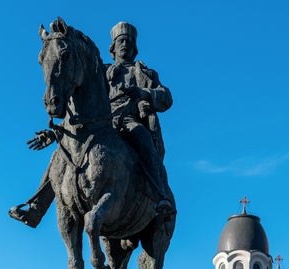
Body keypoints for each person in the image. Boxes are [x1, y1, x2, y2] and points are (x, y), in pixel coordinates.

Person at [9, 21, 173, 228]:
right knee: (61, 154)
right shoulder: (99, 70)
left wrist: (143, 93)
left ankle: (160, 196)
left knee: (143, 138)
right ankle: (37, 209)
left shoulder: (144, 72)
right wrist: (56, 133)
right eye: (121, 41)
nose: (125, 45)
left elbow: (166, 98)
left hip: (129, 120)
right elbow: (78, 97)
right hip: (97, 123)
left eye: (129, 42)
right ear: (113, 47)